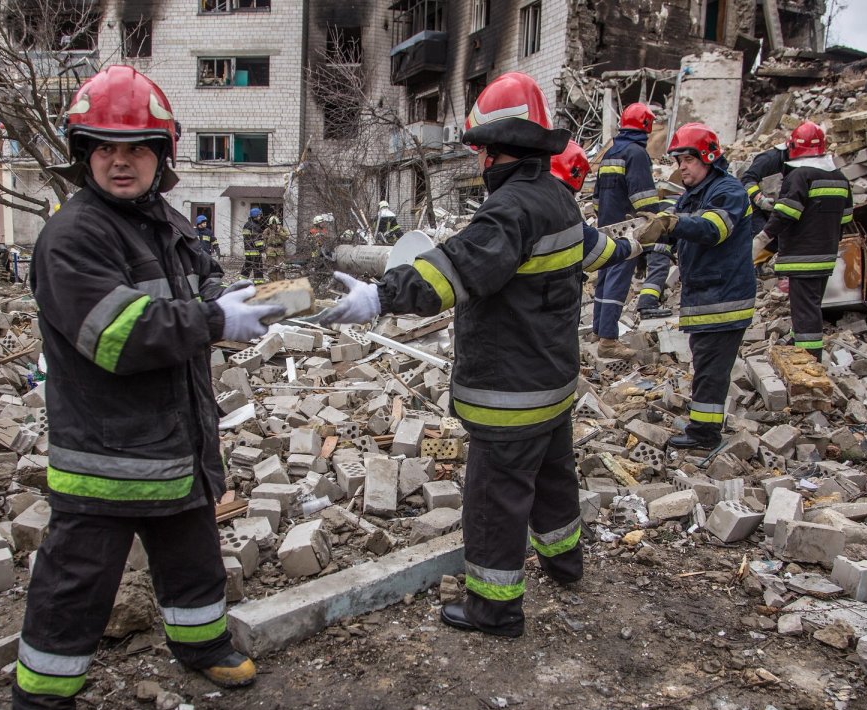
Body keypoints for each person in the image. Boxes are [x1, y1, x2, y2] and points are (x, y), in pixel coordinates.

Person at [15, 65, 282, 710]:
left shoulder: (167, 223)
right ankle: (43, 703)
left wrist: (240, 297)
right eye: (104, 147)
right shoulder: (72, 237)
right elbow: (121, 335)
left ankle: (201, 645)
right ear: (84, 155)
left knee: (194, 561)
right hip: (106, 456)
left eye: (135, 148)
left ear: (162, 156)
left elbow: (202, 286)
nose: (119, 159)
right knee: (75, 587)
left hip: (178, 444)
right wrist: (215, 318)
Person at [320, 72, 640, 638]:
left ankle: (494, 608)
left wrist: (378, 296)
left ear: (497, 149)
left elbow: (451, 273)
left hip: (508, 395)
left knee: (496, 500)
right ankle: (565, 565)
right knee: (554, 479)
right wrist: (639, 240)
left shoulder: (510, 211)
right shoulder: (561, 201)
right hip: (553, 387)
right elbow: (599, 251)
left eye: (483, 150)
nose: (480, 162)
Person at [653, 123, 756, 451]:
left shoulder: (729, 191)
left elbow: (714, 229)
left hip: (723, 298)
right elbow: (679, 238)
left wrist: (675, 224)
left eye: (688, 159)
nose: (681, 166)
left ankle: (704, 436)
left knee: (711, 370)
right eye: (678, 160)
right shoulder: (692, 196)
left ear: (708, 157)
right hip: (705, 296)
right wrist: (654, 233)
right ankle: (703, 428)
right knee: (705, 366)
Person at [752, 122, 853, 362]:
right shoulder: (840, 178)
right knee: (811, 304)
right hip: (826, 254)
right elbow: (847, 217)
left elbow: (787, 213)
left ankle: (808, 358)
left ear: (793, 148)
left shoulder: (799, 175)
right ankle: (799, 341)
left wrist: (762, 239)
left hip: (801, 256)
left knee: (805, 310)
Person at [592, 103, 675, 357]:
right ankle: (608, 341)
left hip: (606, 226)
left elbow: (596, 199)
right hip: (627, 228)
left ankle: (599, 330)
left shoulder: (609, 153)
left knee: (604, 280)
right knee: (618, 281)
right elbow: (644, 199)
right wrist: (657, 222)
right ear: (646, 128)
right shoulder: (636, 154)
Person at [262, 213, 290, 279]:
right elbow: (264, 240)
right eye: (272, 224)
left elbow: (286, 237)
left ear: (278, 224)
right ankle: (272, 283)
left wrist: (279, 231)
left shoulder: (282, 229)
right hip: (270, 251)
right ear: (270, 224)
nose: (274, 225)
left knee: (281, 268)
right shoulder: (267, 230)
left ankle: (280, 284)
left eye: (275, 224)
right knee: (271, 269)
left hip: (280, 251)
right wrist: (264, 252)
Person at [241, 207, 265, 281]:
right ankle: (259, 284)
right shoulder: (254, 226)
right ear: (255, 216)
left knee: (247, 268)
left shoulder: (247, 225)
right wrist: (262, 249)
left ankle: (242, 282)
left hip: (248, 251)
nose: (260, 217)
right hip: (255, 251)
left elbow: (247, 238)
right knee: (258, 269)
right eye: (259, 215)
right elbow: (257, 240)